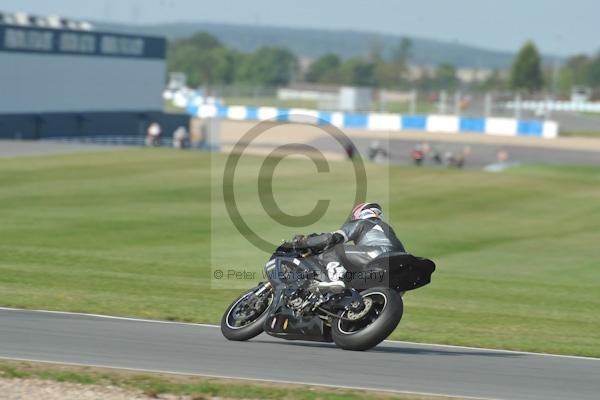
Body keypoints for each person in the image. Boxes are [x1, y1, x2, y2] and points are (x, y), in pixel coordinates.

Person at [285, 202, 405, 293]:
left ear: (359, 213)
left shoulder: (362, 223)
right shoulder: (386, 228)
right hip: (399, 262)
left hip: (378, 255)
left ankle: (335, 279)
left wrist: (303, 242)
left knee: (334, 249)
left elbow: (332, 239)